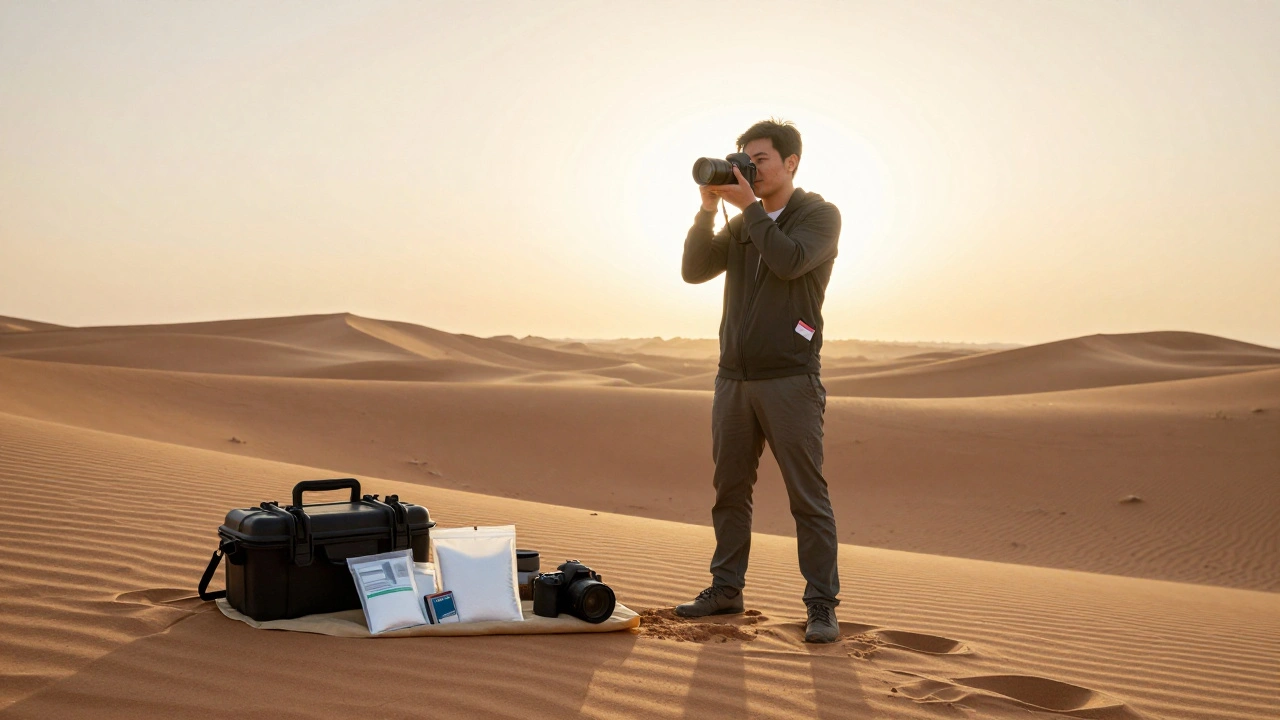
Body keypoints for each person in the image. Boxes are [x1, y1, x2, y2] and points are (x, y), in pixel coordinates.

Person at [677, 119, 842, 643]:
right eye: (744, 158)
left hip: (790, 379)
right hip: (734, 379)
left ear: (791, 163)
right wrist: (708, 210)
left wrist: (749, 207)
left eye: (761, 159)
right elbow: (694, 270)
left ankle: (821, 605)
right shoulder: (742, 221)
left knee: (806, 498)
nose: (750, 167)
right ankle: (726, 589)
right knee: (729, 491)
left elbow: (790, 261)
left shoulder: (818, 216)